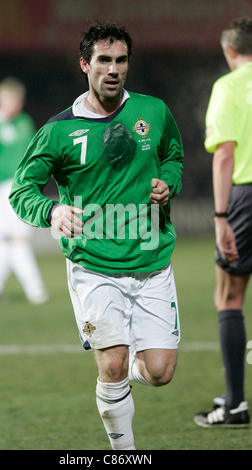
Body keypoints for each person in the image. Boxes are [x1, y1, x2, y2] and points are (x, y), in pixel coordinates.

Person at [9, 22, 184, 449]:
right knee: (113, 361)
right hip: (93, 264)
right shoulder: (58, 131)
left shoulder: (154, 112)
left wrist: (167, 182)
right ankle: (124, 453)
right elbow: (21, 190)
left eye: (121, 60)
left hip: (151, 259)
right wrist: (51, 210)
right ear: (85, 65)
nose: (113, 69)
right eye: (104, 60)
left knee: (159, 372)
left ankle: (120, 380)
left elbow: (174, 157)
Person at [194, 17, 252, 428]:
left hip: (245, 196)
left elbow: (225, 154)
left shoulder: (228, 87)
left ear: (229, 51)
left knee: (229, 297)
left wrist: (219, 217)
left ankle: (234, 405)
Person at [0, 77, 49, 304]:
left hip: (23, 186)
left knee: (6, 240)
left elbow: (33, 154)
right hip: (0, 190)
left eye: (16, 100)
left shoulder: (24, 123)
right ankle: (35, 289)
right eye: (8, 100)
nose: (13, 105)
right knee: (17, 238)